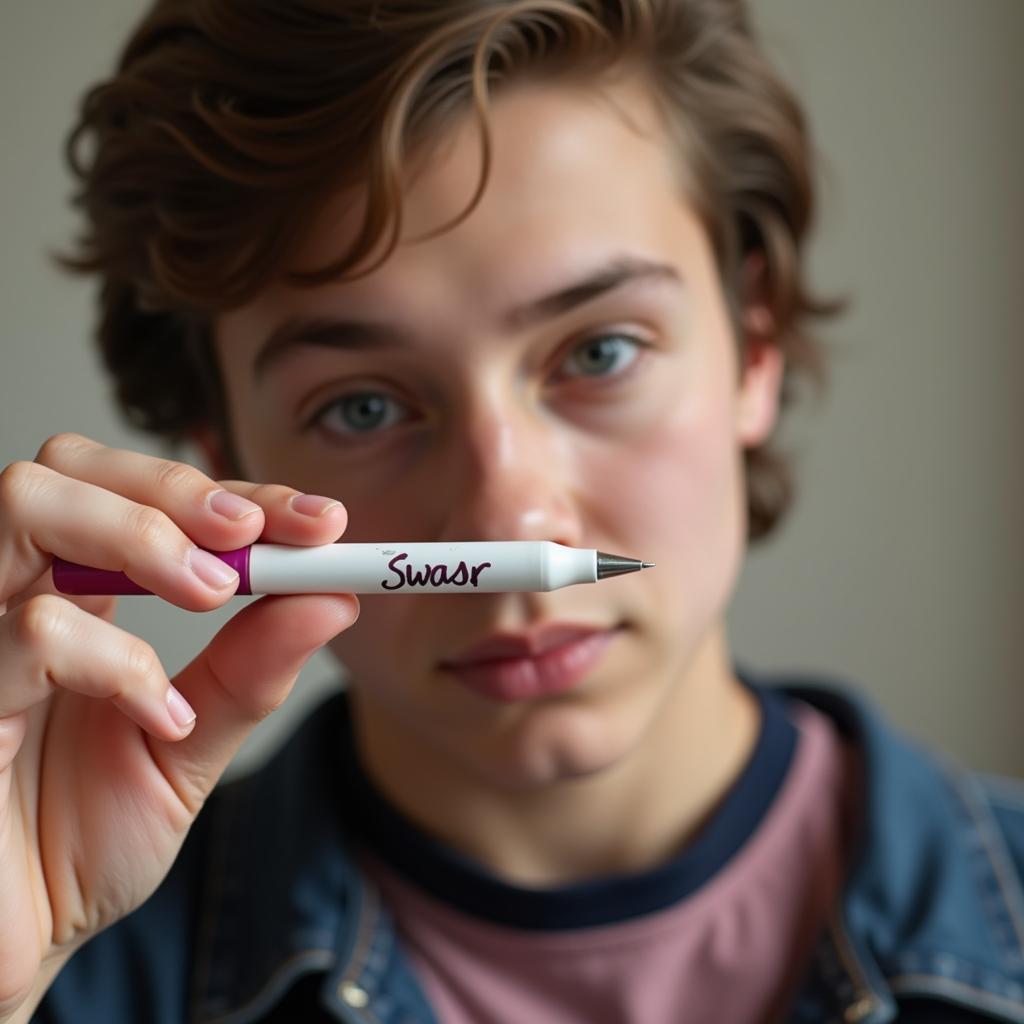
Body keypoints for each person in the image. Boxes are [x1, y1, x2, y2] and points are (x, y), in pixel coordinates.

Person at [2, 1, 1022, 1022]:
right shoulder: (76, 965)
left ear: (752, 342)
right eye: (362, 405)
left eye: (599, 352)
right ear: (222, 453)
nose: (511, 520)